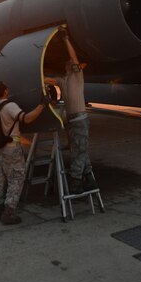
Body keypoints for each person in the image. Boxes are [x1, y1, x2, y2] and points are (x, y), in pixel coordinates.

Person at [0, 81, 48, 225]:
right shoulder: (10, 106)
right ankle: (9, 212)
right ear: (6, 91)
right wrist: (42, 104)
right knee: (16, 178)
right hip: (11, 147)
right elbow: (27, 119)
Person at [44, 29, 97, 194]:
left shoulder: (77, 75)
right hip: (71, 121)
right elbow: (47, 79)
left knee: (79, 150)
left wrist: (66, 39)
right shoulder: (62, 80)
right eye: (68, 63)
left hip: (80, 119)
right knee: (80, 150)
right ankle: (89, 179)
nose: (71, 63)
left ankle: (75, 181)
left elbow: (74, 59)